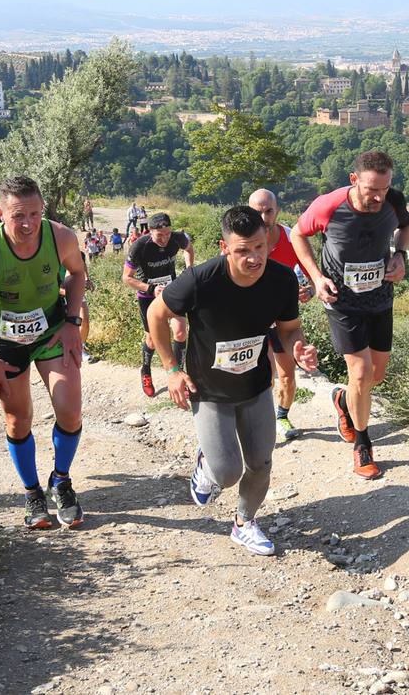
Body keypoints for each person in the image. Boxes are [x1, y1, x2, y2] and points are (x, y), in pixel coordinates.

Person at [147, 205, 318, 556]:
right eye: (242, 250)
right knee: (226, 473)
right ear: (225, 248)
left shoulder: (282, 279)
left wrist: (297, 348)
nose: (254, 258)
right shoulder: (201, 279)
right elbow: (156, 313)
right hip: (208, 390)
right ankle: (207, 463)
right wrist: (171, 370)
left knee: (261, 462)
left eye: (259, 247)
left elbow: (289, 330)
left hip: (255, 386)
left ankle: (244, 523)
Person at [0, 175, 88, 529]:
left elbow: (77, 273)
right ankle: (32, 493)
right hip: (4, 342)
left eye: (34, 213)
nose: (27, 224)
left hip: (52, 332)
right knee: (18, 418)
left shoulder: (61, 237)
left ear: (43, 210)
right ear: (1, 214)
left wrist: (72, 322)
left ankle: (61, 480)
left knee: (70, 411)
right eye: (18, 216)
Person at [291, 150, 409, 480]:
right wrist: (316, 277)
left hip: (379, 298)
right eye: (371, 189)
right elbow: (297, 234)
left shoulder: (393, 202)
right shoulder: (328, 206)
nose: (377, 197)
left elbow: (406, 227)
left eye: (383, 190)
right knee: (361, 373)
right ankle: (363, 444)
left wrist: (400, 255)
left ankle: (343, 400)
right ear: (354, 180)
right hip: (341, 300)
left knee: (376, 376)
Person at [248, 188, 314, 442]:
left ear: (277, 211)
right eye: (257, 211)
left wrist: (309, 289)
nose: (263, 217)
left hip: (281, 318)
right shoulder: (241, 237)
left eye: (268, 211)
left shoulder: (290, 237)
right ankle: (256, 423)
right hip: (250, 318)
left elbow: (311, 273)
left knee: (287, 373)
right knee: (262, 373)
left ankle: (281, 416)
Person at [123, 212, 195, 397]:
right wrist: (150, 288)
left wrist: (189, 270)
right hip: (148, 296)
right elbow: (127, 278)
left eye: (168, 234)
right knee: (152, 340)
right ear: (150, 231)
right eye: (159, 235)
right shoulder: (139, 246)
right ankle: (145, 371)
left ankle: (179, 374)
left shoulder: (177, 238)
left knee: (180, 331)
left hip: (171, 291)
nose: (164, 239)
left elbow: (189, 249)